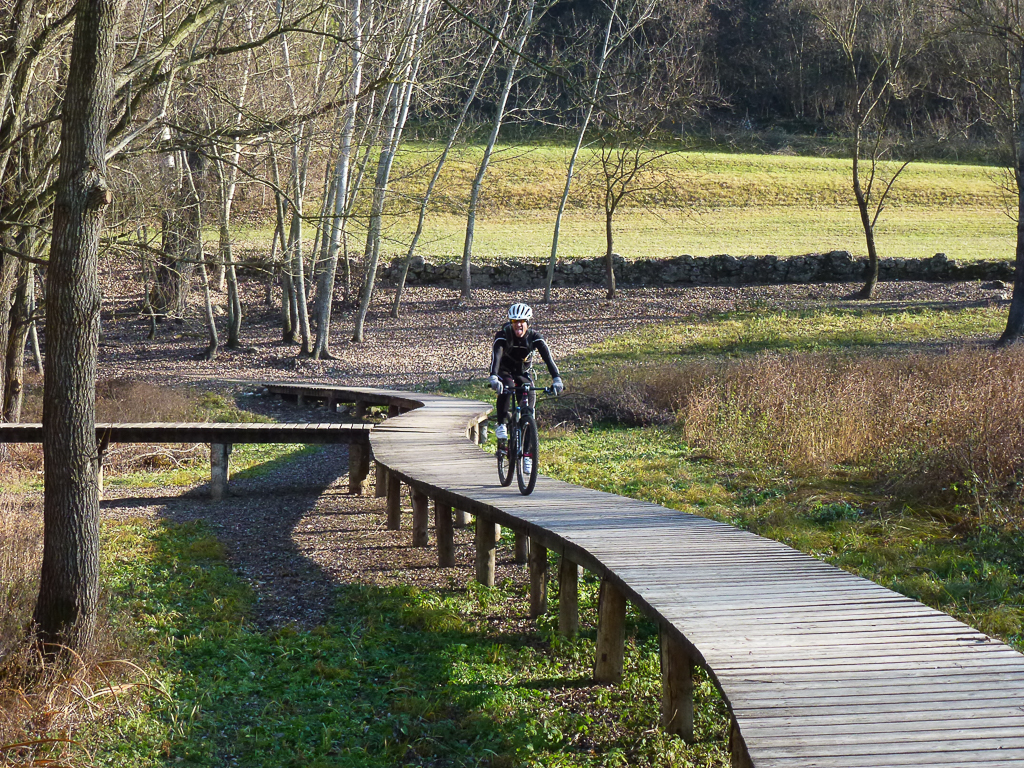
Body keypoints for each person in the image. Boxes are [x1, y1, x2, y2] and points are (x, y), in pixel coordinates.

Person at [488, 303, 563, 467]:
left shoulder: (534, 337)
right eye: (515, 322)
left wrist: (556, 378)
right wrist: (493, 377)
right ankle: (502, 424)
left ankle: (528, 455)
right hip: (504, 371)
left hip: (522, 373)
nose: (518, 325)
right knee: (506, 387)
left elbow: (548, 359)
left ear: (527, 323)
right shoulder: (503, 335)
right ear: (511, 323)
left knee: (529, 410)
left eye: (522, 321)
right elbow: (496, 357)